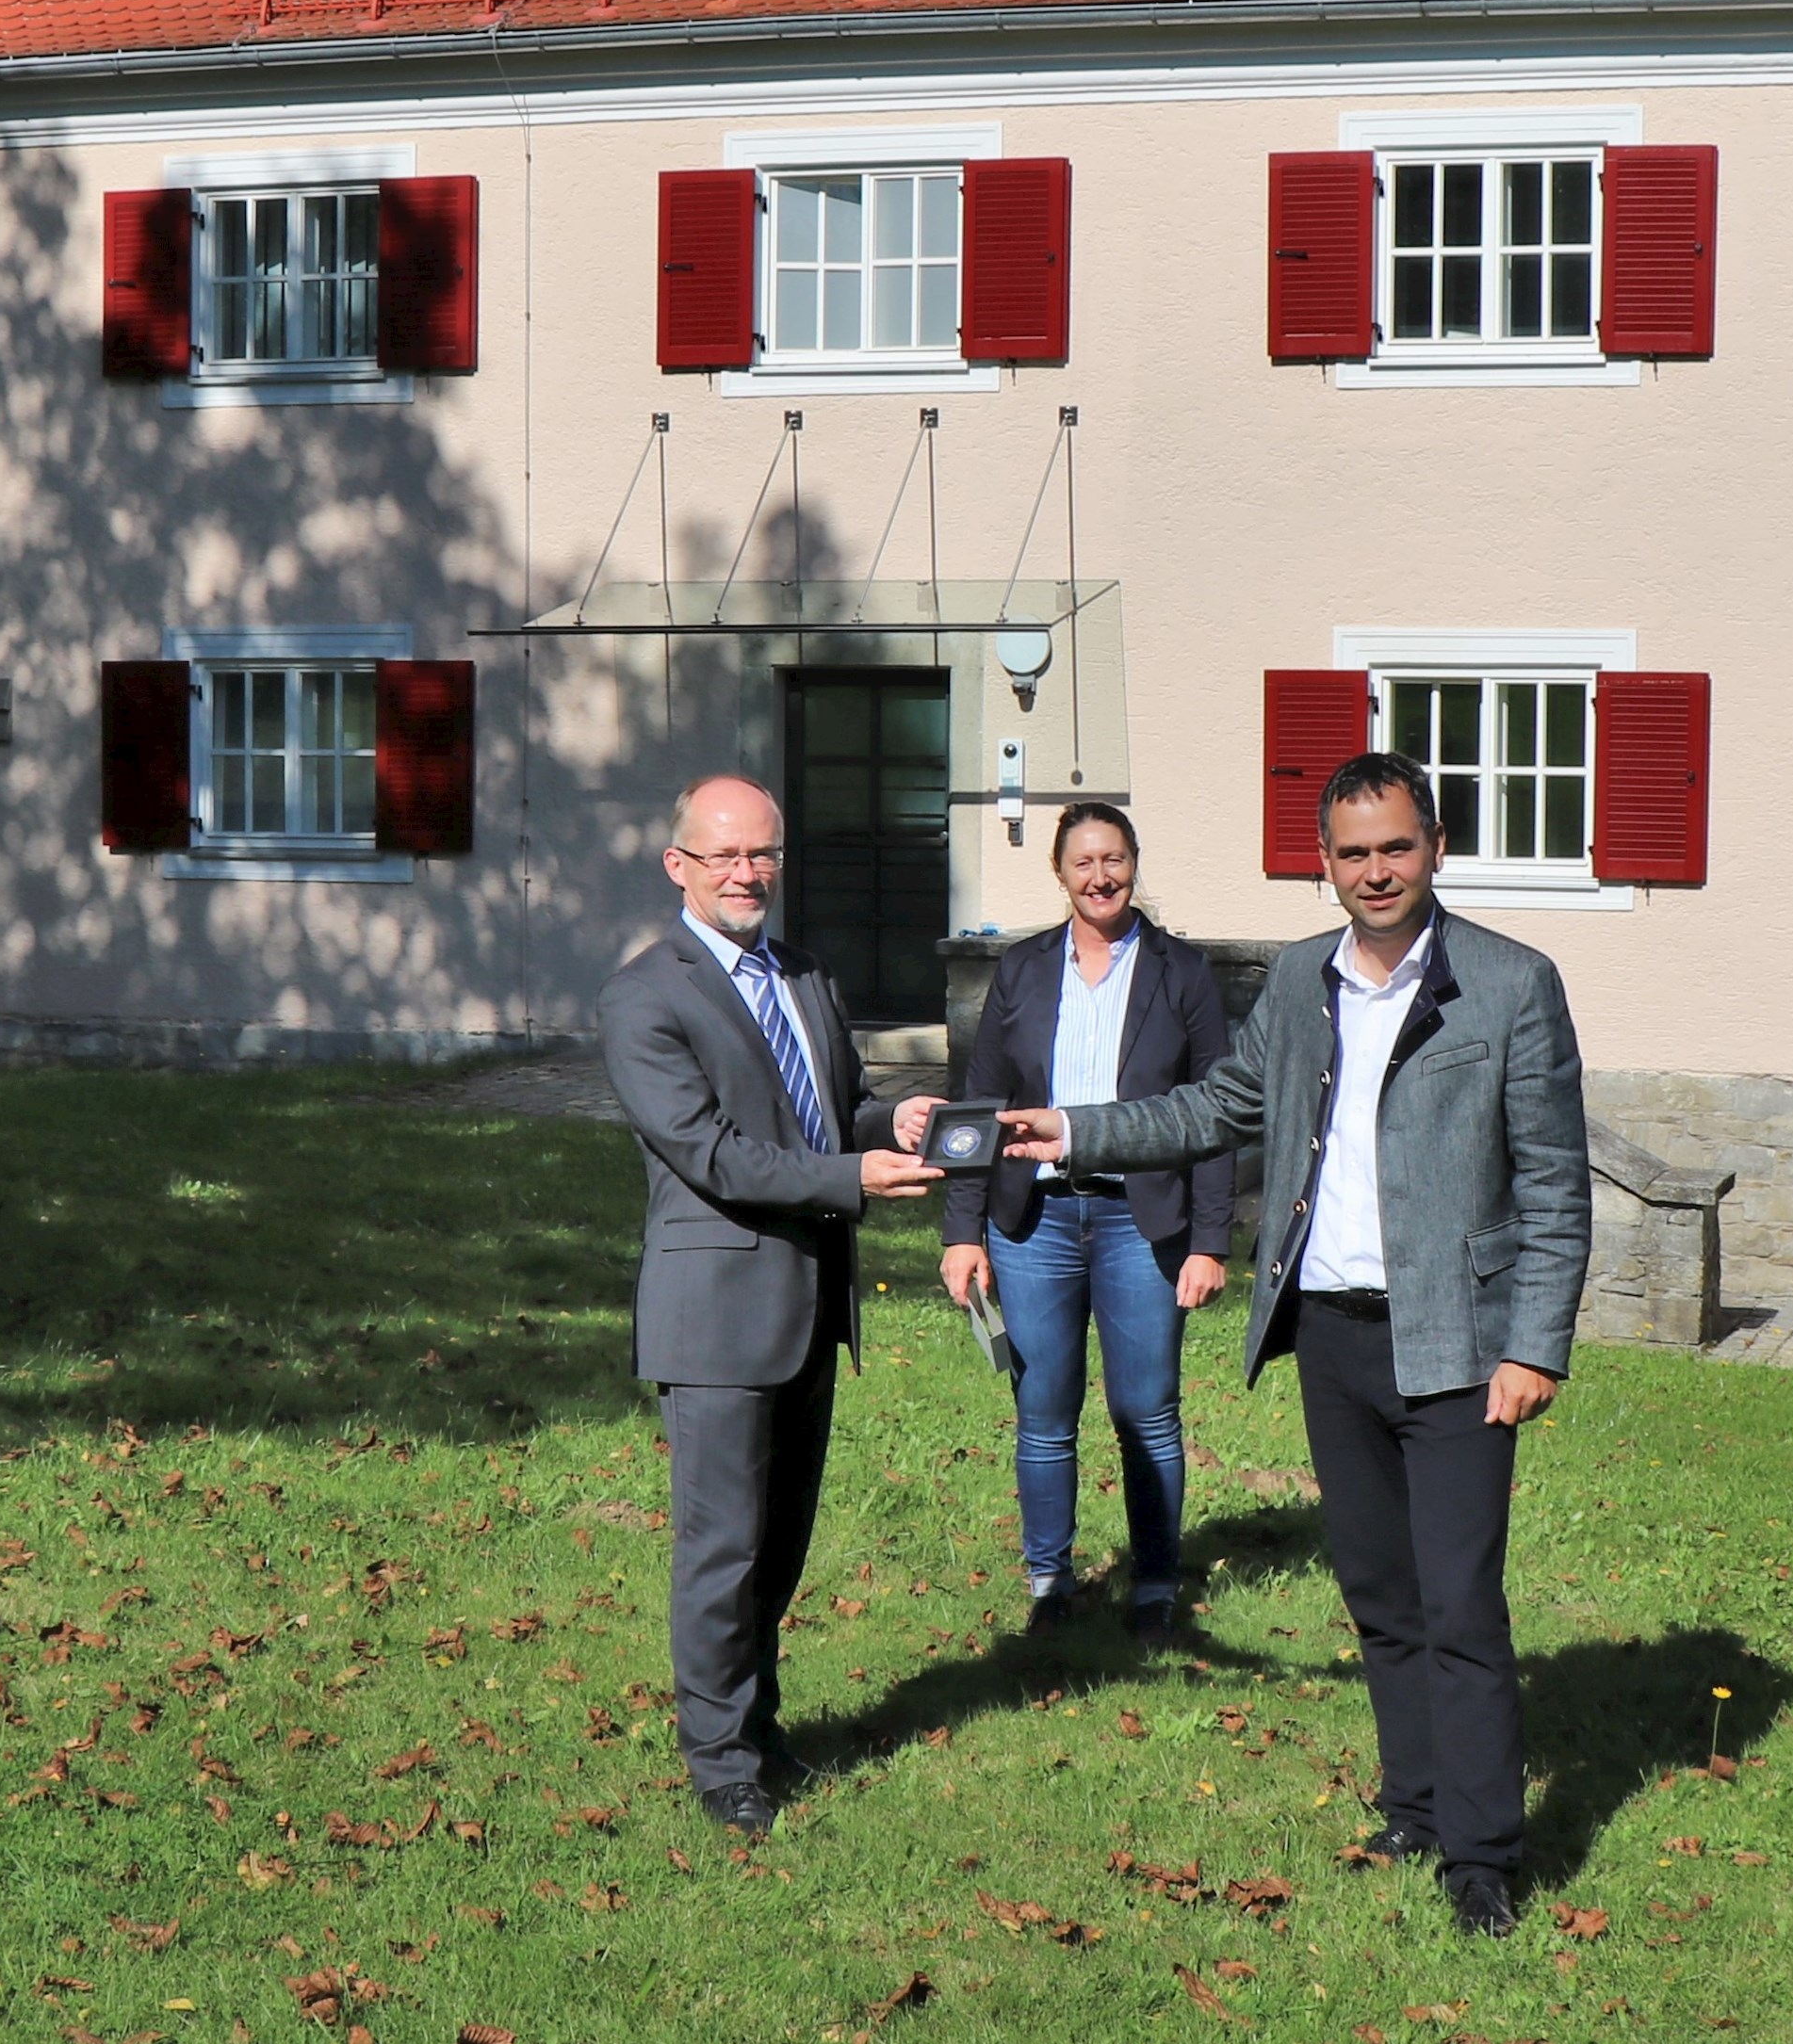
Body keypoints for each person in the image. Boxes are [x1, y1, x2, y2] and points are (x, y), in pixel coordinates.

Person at [999, 752, 1590, 1935]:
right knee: (1377, 1590)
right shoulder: (1300, 981)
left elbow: (1555, 1183)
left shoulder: (1511, 983)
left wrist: (1537, 1345)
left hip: (1460, 1346)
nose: (1375, 871)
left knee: (1461, 1602)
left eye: (1396, 846)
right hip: (1331, 1331)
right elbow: (1211, 1107)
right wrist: (1074, 1127)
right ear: (1325, 867)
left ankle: (1482, 1856)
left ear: (1434, 848)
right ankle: (1414, 1805)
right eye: (1352, 853)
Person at [596, 773, 942, 1841]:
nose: (748, 874)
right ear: (679, 867)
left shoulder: (803, 973)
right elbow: (711, 1152)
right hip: (715, 1311)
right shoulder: (646, 997)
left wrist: (898, 1116)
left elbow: (824, 1109)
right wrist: (854, 1179)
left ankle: (759, 1724)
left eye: (764, 855)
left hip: (808, 1300)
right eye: (725, 856)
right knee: (722, 1547)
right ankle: (720, 1762)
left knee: (780, 1543)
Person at [937, 803, 1234, 1640]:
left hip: (1144, 1223)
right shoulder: (1024, 969)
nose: (1101, 876)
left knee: (1147, 1410)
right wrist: (964, 1231)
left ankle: (1154, 1586)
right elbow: (977, 1106)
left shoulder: (1182, 972)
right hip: (1034, 1223)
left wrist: (1209, 1241)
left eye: (1115, 859)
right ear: (1061, 874)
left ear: (1135, 861)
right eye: (1083, 863)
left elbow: (1216, 1114)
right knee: (1044, 1411)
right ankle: (1050, 1583)